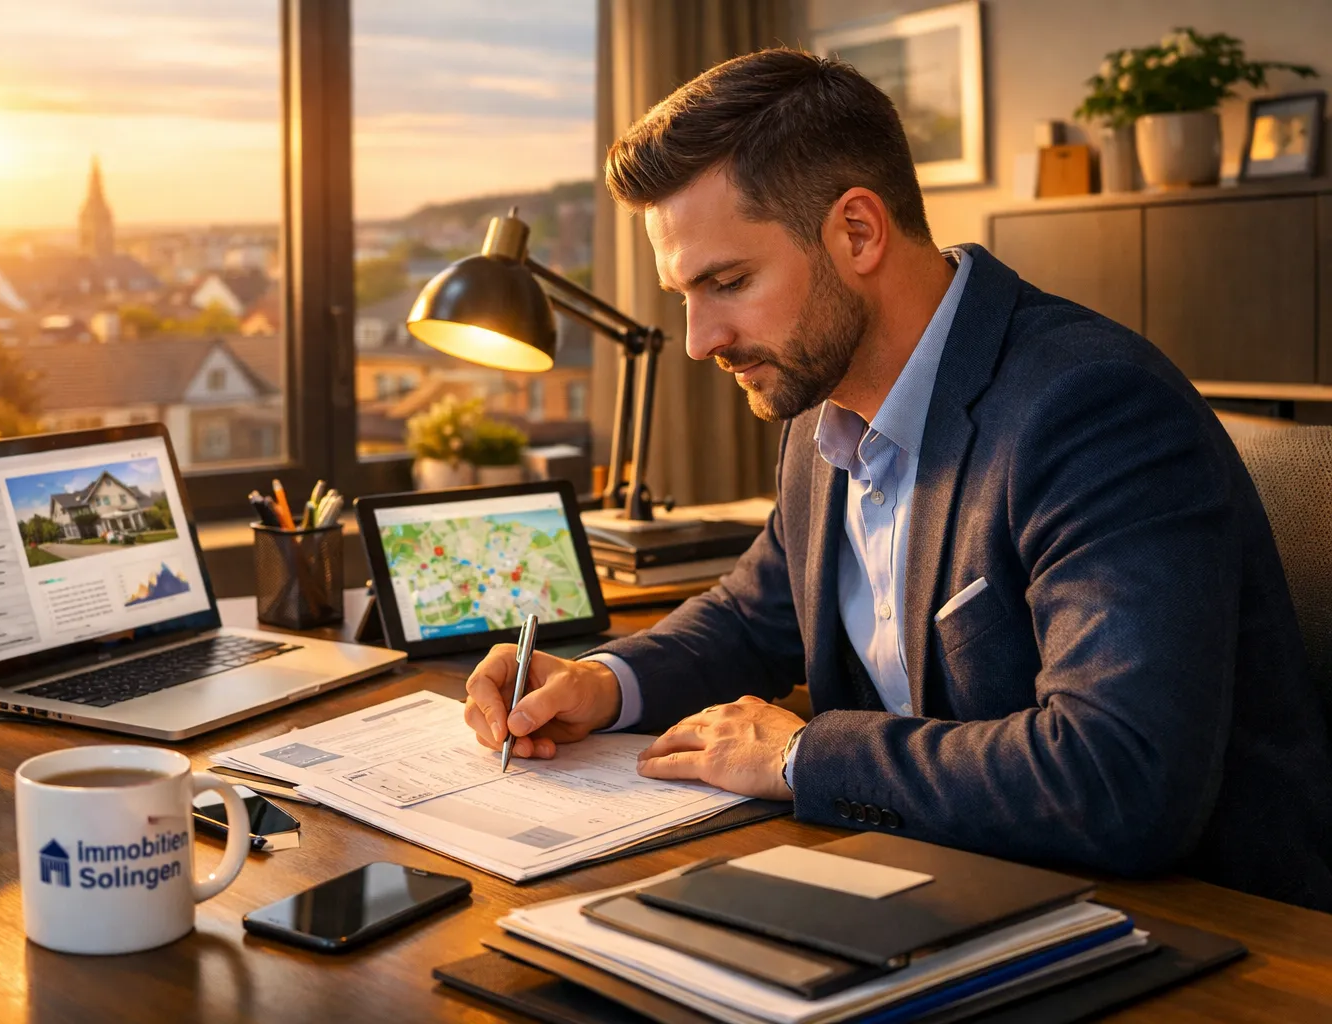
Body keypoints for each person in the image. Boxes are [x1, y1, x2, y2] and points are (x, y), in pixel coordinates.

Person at [461, 48, 1332, 910]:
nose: (698, 340)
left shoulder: (1092, 407)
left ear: (858, 232)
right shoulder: (819, 405)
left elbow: (1118, 777)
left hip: (1190, 932)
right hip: (941, 888)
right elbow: (754, 615)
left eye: (727, 282)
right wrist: (601, 684)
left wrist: (802, 757)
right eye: (683, 295)